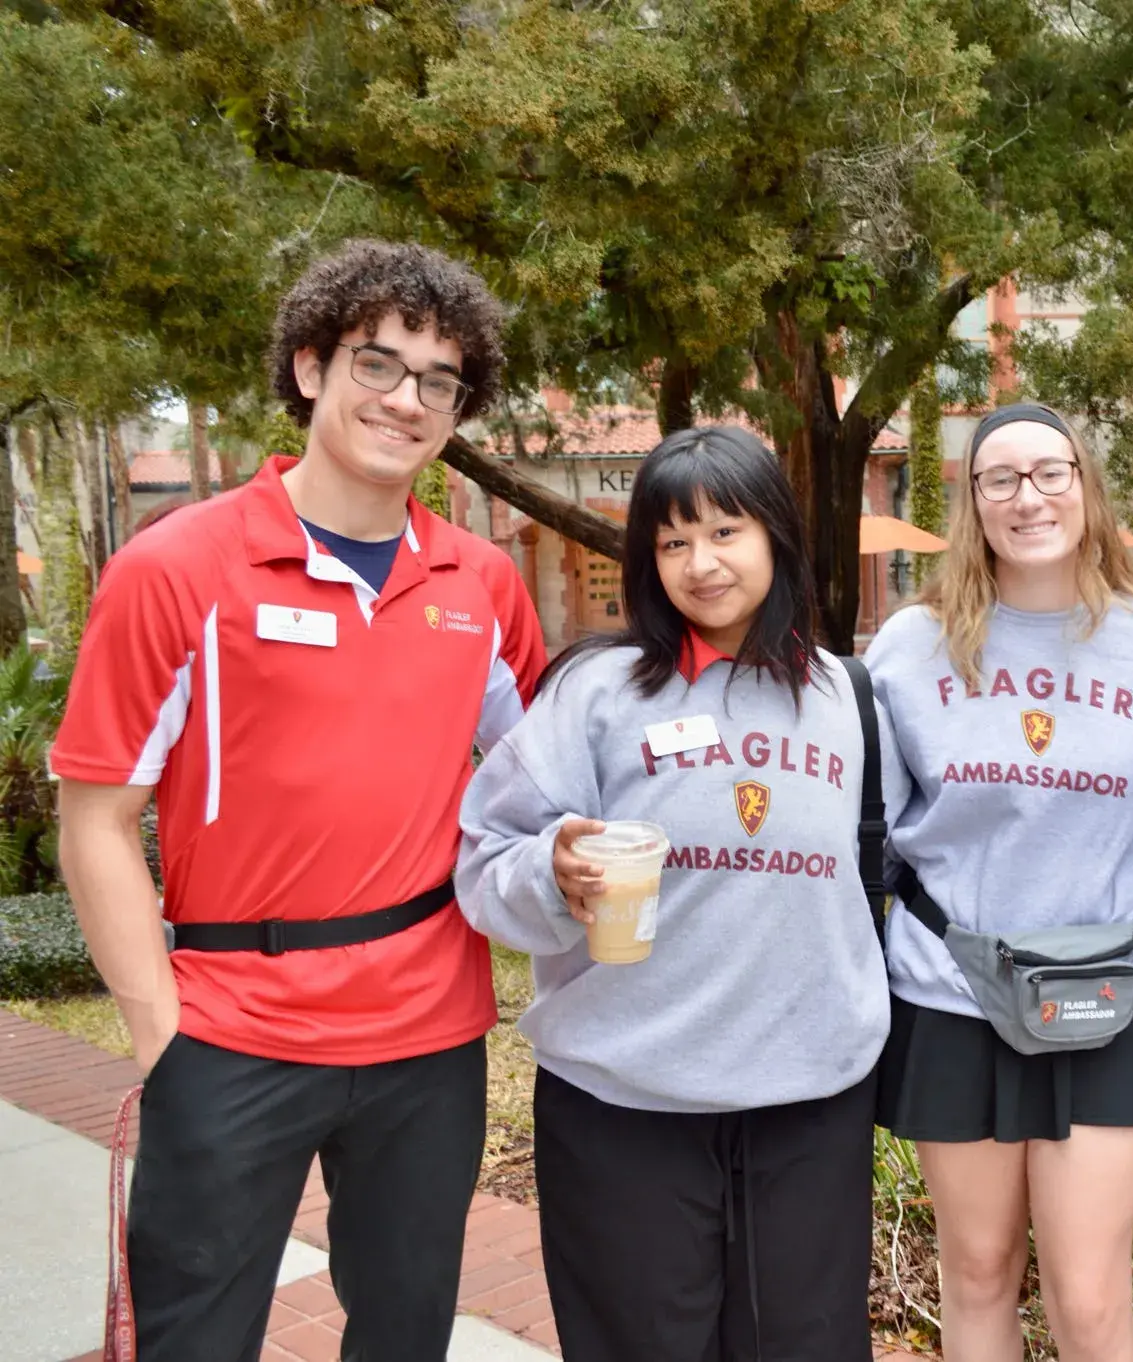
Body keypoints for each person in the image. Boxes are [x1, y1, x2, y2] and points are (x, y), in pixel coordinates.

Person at [52, 239, 546, 1361]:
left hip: (429, 1041)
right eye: (378, 363)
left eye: (439, 381)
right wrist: (160, 1035)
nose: (406, 399)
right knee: (195, 1341)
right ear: (312, 367)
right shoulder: (178, 568)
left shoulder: (480, 582)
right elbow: (95, 821)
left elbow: (551, 772)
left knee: (405, 1336)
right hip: (231, 1031)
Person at [456, 425, 900, 1362]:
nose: (701, 564)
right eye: (672, 541)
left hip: (810, 1103)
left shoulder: (847, 696)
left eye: (726, 532)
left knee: (807, 1347)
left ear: (775, 534)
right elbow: (486, 863)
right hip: (625, 1105)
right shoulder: (597, 692)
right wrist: (551, 875)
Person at [863, 402, 1133, 1362]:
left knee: (1089, 1301)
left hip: (1098, 996)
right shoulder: (912, 646)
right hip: (953, 990)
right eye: (999, 479)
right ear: (972, 501)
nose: (1028, 497)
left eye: (1051, 473)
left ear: (1085, 486)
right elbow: (873, 831)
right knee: (977, 1273)